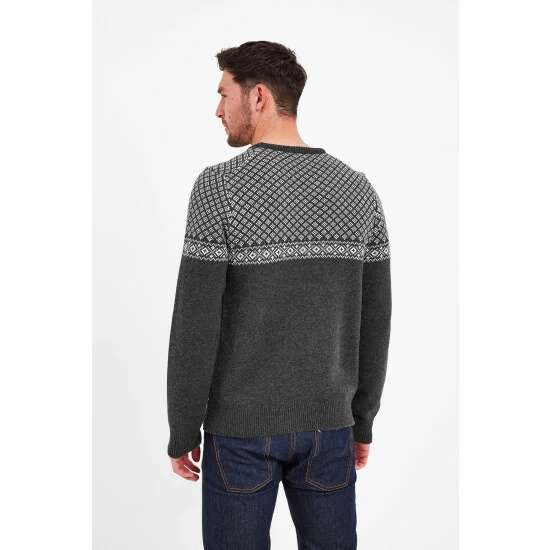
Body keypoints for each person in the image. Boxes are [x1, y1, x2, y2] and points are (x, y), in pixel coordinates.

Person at [166, 40, 392, 550]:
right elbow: (375, 320)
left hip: (239, 433)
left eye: (224, 94)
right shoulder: (359, 191)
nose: (218, 109)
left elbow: (195, 321)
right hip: (330, 430)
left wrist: (182, 427)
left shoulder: (218, 188)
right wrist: (361, 422)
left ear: (259, 96)